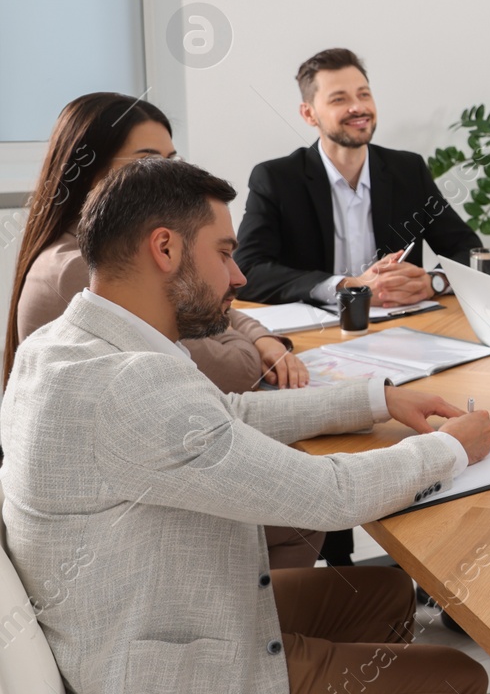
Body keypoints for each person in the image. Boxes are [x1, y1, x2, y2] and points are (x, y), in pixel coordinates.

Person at [0, 157, 490, 694]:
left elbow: (222, 415)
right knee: (455, 684)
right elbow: (329, 496)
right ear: (165, 249)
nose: (238, 276)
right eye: (224, 252)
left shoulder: (64, 346)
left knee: (387, 592)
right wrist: (453, 448)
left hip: (150, 620)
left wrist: (377, 400)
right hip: (172, 690)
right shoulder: (128, 386)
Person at [4, 93, 325, 567]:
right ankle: (267, 634)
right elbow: (234, 372)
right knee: (305, 500)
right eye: (148, 163)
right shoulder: (79, 270)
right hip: (129, 534)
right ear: (87, 169)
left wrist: (253, 332)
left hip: (143, 478)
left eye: (172, 162)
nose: (167, 180)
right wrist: (244, 339)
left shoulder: (94, 253)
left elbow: (217, 301)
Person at [234, 47, 481, 308]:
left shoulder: (408, 170)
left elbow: (470, 251)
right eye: (339, 99)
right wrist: (348, 287)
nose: (358, 107)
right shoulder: (276, 179)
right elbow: (247, 271)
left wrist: (434, 282)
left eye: (364, 94)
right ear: (309, 114)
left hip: (400, 328)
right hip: (316, 330)